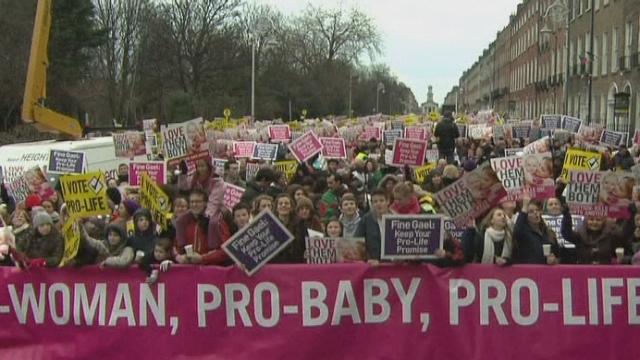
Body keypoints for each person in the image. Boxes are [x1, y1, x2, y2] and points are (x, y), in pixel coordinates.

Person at [175, 189, 231, 266]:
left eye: (198, 202)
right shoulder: (184, 222)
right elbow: (175, 247)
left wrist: (203, 258)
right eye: (192, 202)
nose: (194, 204)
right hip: (190, 270)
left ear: (205, 203)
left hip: (211, 271)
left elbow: (227, 250)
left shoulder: (216, 222)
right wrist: (179, 257)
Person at [561, 205, 630, 264]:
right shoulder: (580, 235)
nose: (594, 222)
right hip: (584, 272)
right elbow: (566, 233)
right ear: (586, 220)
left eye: (598, 220)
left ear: (604, 221)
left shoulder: (612, 234)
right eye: (591, 219)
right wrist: (566, 216)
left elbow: (624, 237)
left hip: (605, 273)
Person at [512, 197, 559, 264]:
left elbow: (558, 256)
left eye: (537, 210)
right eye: (531, 212)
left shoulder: (549, 232)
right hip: (529, 272)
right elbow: (517, 230)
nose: (535, 213)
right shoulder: (524, 233)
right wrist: (525, 206)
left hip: (546, 272)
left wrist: (553, 260)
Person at [354, 189, 391, 261]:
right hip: (372, 263)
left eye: (381, 201)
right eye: (375, 202)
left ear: (388, 201)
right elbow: (358, 242)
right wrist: (368, 259)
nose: (378, 204)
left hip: (393, 264)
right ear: (372, 204)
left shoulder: (396, 218)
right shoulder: (366, 220)